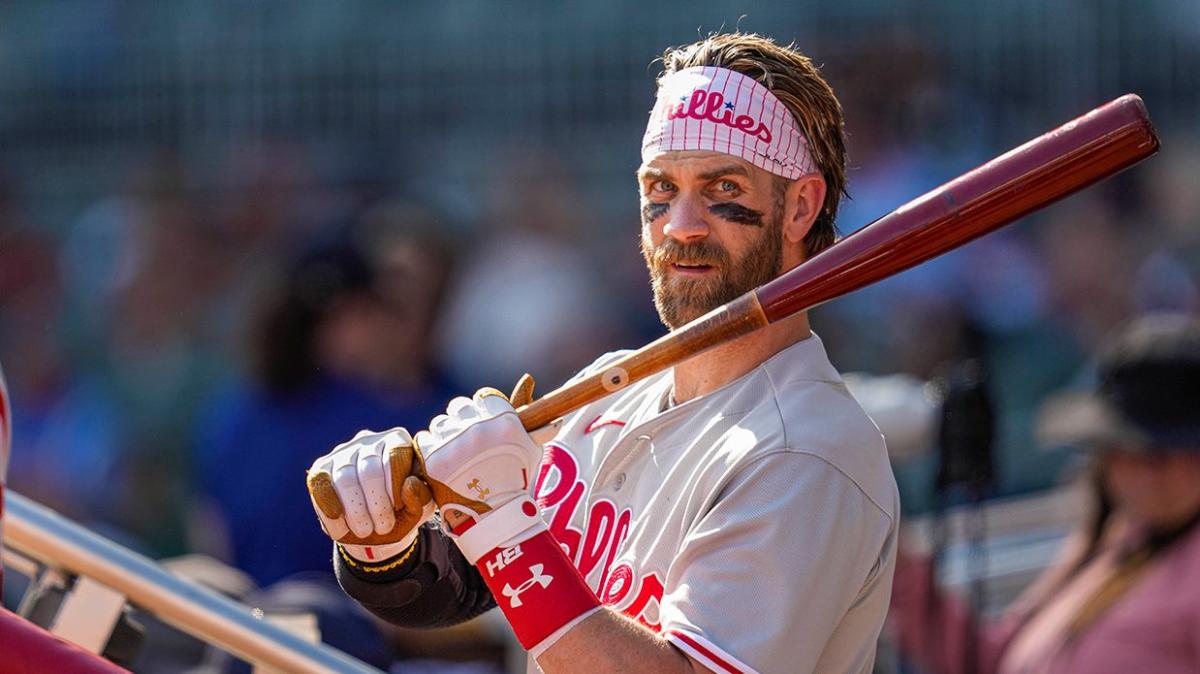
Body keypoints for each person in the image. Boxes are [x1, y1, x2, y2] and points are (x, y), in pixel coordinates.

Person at [305, 33, 899, 674]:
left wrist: (504, 529)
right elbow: (467, 589)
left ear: (800, 206)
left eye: (722, 186)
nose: (681, 225)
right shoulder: (610, 392)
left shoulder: (805, 451)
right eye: (661, 189)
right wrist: (385, 543)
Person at [889, 312, 1200, 674]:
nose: (1140, 472)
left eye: (1161, 454)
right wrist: (896, 561)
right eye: (1121, 450)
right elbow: (994, 658)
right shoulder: (1111, 544)